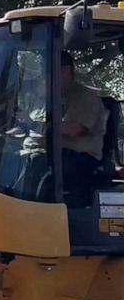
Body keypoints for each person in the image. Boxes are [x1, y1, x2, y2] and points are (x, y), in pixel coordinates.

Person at [60, 51, 109, 205]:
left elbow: (75, 130)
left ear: (66, 70)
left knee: (41, 163)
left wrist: (38, 126)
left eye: (48, 71)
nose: (45, 77)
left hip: (81, 160)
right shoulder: (52, 95)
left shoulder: (85, 97)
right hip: (59, 156)